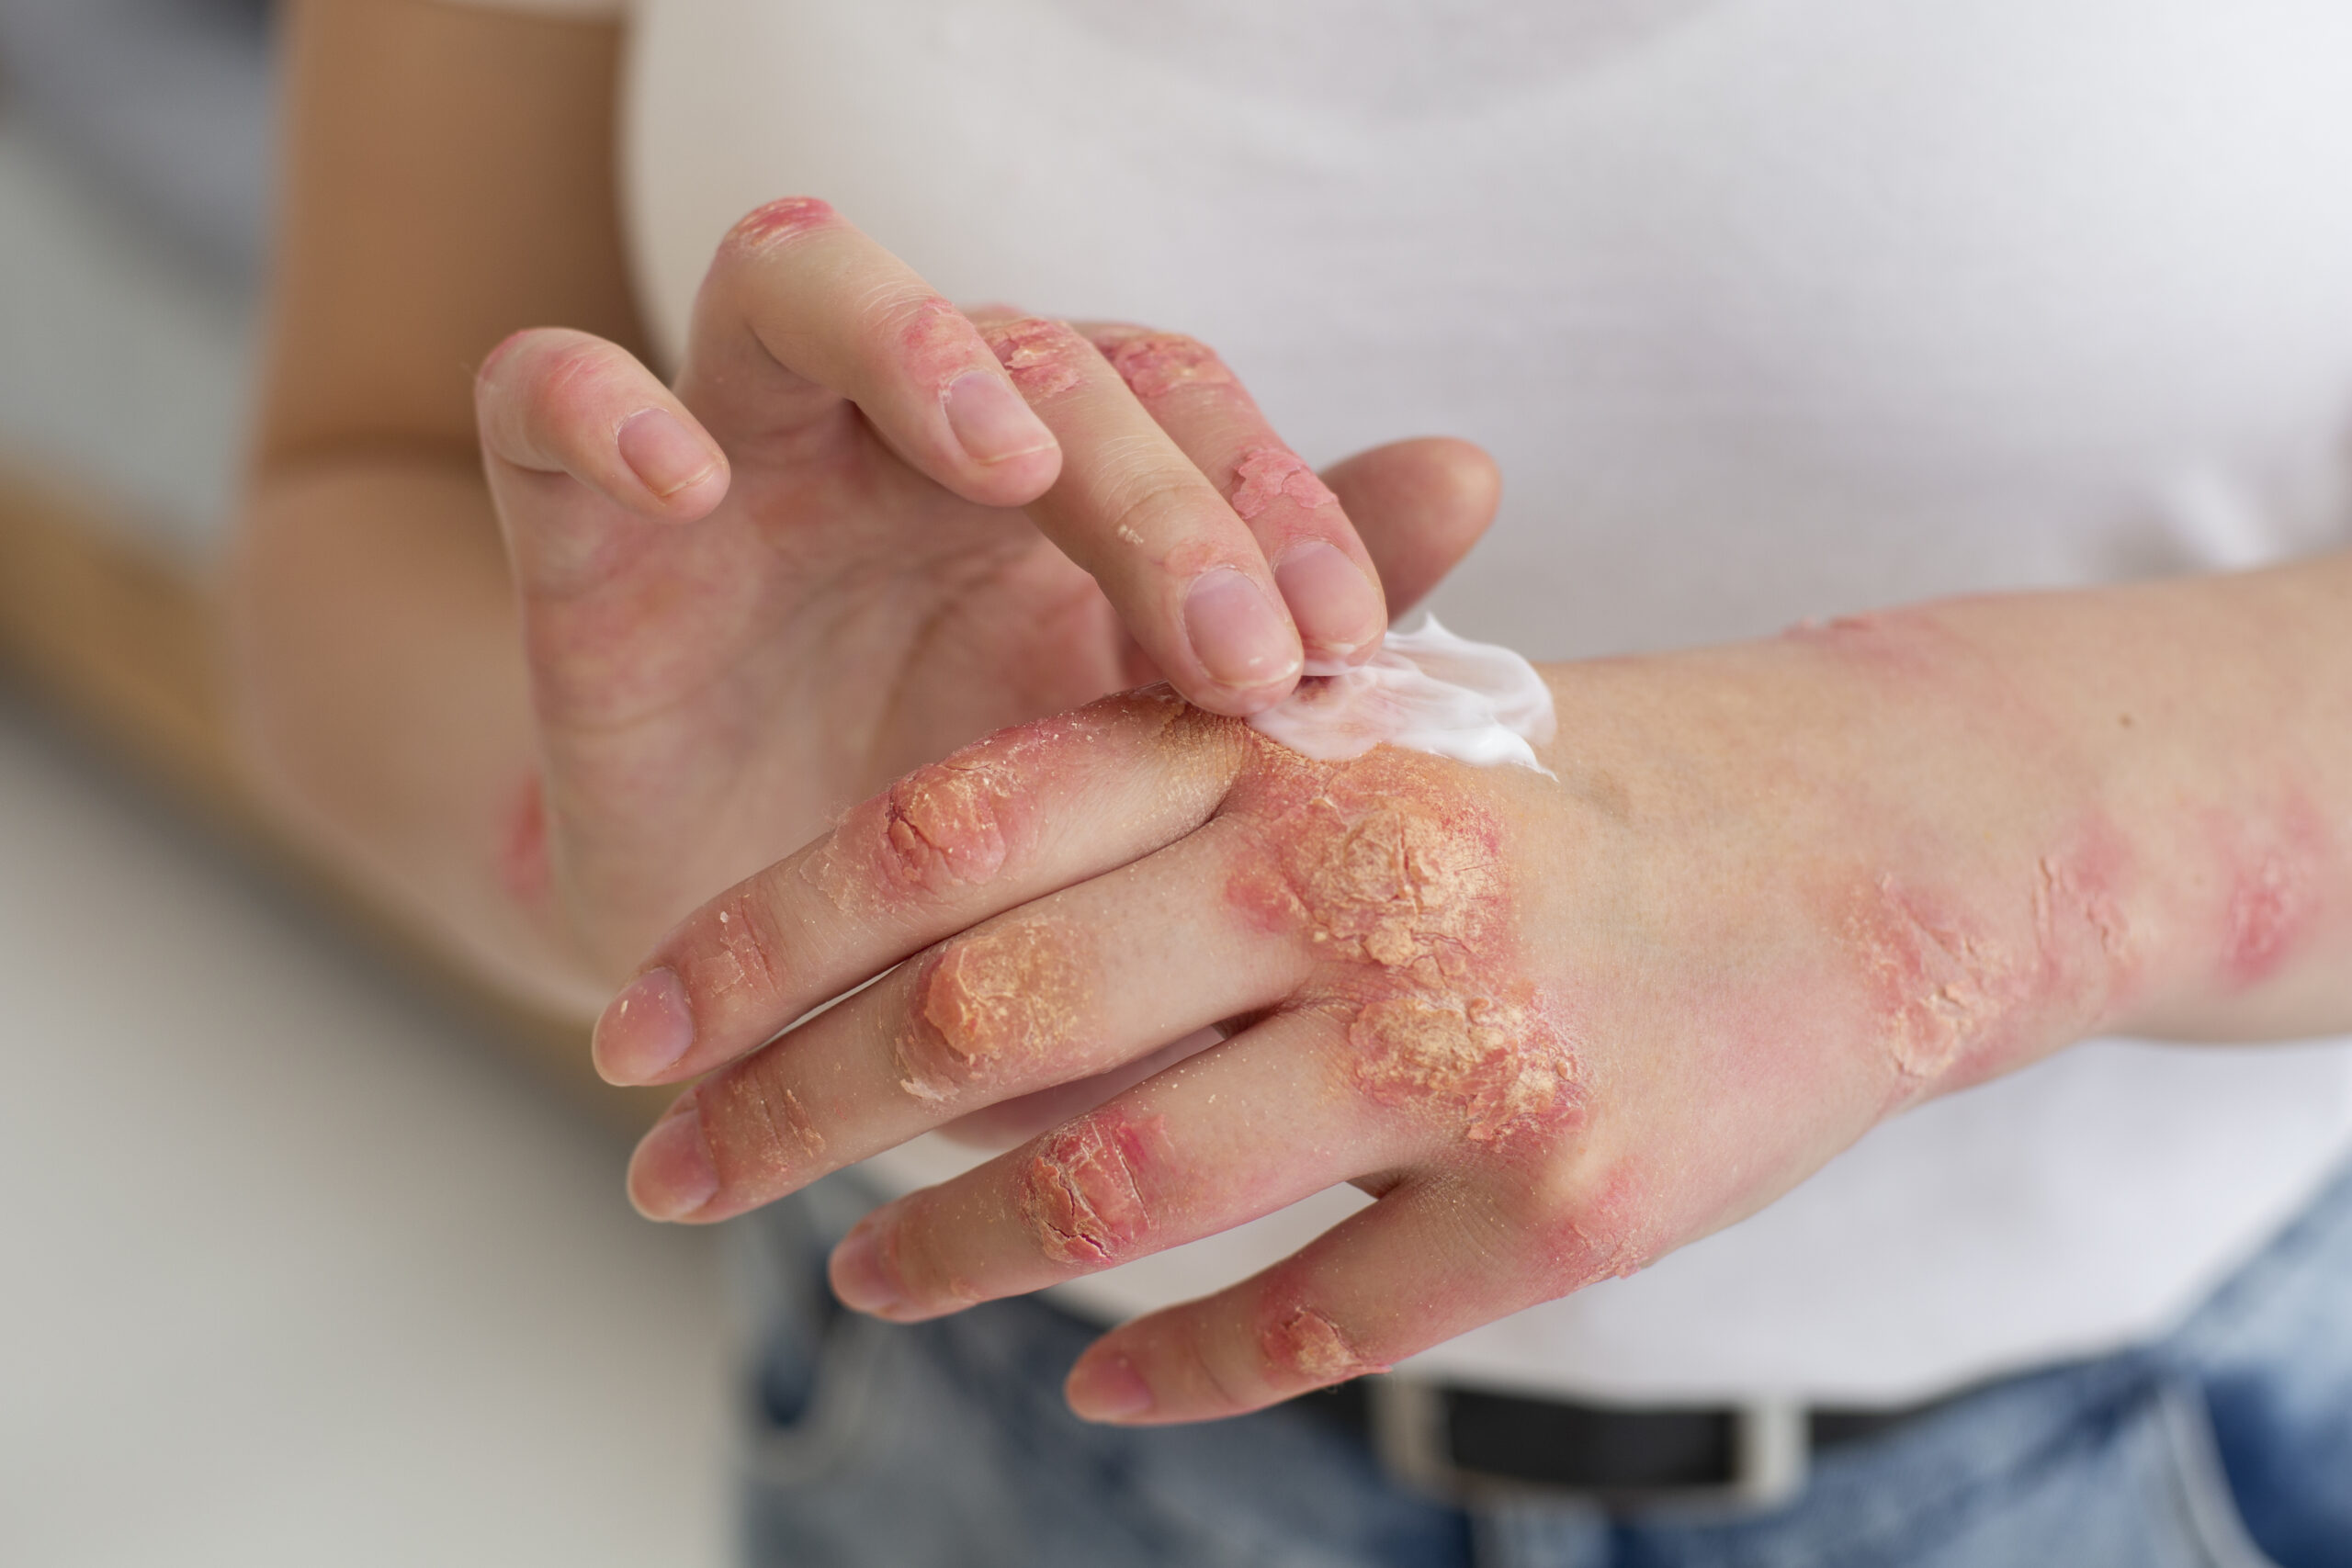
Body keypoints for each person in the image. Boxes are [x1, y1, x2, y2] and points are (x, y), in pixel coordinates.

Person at [230, 1, 2352, 1562]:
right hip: (983, 1429)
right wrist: (654, 871)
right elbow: (366, 483)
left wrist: (1916, 842)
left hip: (2142, 1445)